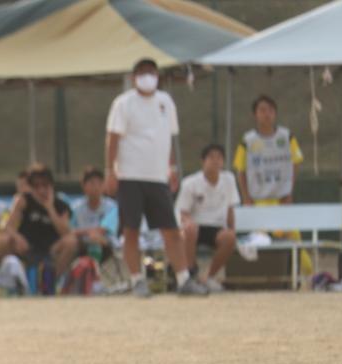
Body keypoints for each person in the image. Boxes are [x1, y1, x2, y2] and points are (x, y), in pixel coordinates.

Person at [105, 58, 208, 297]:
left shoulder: (166, 102)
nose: (147, 77)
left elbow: (167, 137)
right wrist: (110, 171)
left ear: (158, 76)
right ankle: (137, 280)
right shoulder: (123, 103)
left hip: (157, 177)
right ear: (134, 78)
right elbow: (113, 138)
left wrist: (171, 167)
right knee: (131, 230)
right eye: (142, 72)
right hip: (130, 176)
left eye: (151, 72)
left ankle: (183, 279)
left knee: (170, 229)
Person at [233, 94, 312, 277]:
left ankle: (309, 275)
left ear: (275, 113)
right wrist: (246, 198)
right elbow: (240, 169)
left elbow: (296, 162)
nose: (266, 114)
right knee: (262, 240)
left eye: (270, 110)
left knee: (294, 238)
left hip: (281, 200)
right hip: (259, 201)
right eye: (262, 110)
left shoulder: (286, 136)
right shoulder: (248, 140)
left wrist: (289, 191)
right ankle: (267, 277)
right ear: (255, 114)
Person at [176, 144, 240, 292]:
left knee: (230, 238)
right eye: (211, 157)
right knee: (189, 230)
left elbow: (230, 209)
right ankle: (191, 275)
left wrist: (232, 230)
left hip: (217, 228)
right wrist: (188, 224)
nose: (215, 161)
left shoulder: (229, 180)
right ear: (203, 161)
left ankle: (209, 277)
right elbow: (183, 212)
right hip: (195, 227)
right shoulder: (190, 183)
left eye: (219, 157)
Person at [3, 163, 73, 294]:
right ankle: (15, 282)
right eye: (36, 186)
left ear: (51, 186)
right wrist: (18, 238)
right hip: (27, 247)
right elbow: (8, 227)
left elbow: (66, 233)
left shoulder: (61, 205)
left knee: (71, 242)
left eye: (45, 185)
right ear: (30, 187)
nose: (41, 190)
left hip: (52, 249)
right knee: (4, 241)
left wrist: (49, 208)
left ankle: (51, 281)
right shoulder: (23, 201)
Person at [71, 166, 119, 264]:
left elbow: (105, 229)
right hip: (81, 245)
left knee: (95, 238)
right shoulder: (75, 207)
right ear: (83, 185)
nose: (96, 187)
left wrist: (88, 233)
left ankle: (94, 270)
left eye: (99, 183)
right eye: (92, 183)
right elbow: (70, 230)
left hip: (106, 245)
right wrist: (88, 233)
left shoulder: (112, 206)